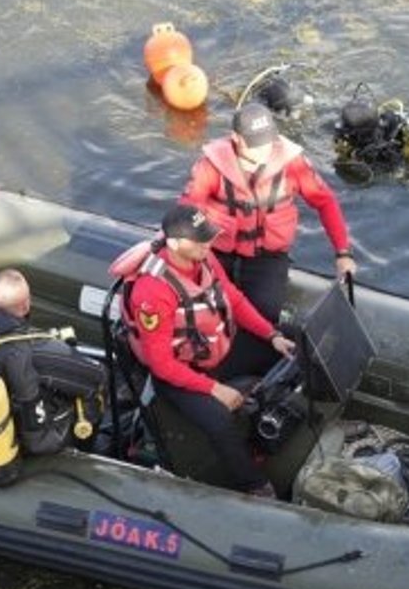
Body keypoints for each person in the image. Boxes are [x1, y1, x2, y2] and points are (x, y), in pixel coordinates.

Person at [109, 204, 296, 497]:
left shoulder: (204, 258)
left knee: (290, 340)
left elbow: (233, 298)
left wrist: (271, 335)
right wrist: (215, 390)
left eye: (208, 236)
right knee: (219, 421)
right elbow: (162, 365)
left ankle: (287, 415)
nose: (208, 243)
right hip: (180, 371)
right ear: (174, 244)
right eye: (200, 240)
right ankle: (255, 485)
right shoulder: (152, 292)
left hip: (215, 348)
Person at [179, 102, 356, 324]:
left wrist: (343, 253)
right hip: (216, 253)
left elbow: (325, 202)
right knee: (203, 312)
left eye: (267, 141)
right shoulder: (211, 165)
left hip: (267, 258)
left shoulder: (293, 164)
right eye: (255, 144)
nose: (264, 149)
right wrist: (185, 249)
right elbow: (188, 208)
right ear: (236, 138)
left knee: (265, 315)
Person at [0, 268, 104, 457]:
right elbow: (96, 377)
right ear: (26, 306)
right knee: (93, 395)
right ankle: (87, 450)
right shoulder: (40, 350)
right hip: (36, 443)